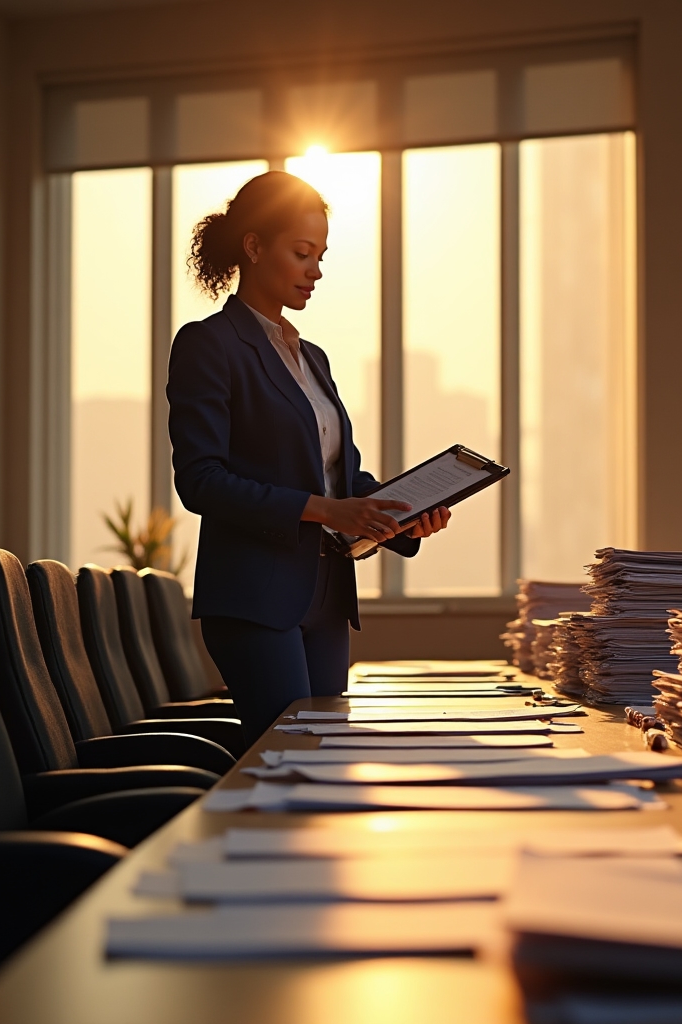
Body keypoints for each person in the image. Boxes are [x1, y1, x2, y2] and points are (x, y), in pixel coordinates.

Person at [168, 171, 451, 745]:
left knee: (326, 760)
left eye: (320, 256)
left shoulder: (312, 358)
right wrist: (326, 510)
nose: (315, 271)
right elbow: (201, 482)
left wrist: (403, 513)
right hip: (254, 598)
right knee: (291, 758)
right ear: (254, 246)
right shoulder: (208, 344)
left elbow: (342, 477)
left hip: (325, 595)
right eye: (302, 254)